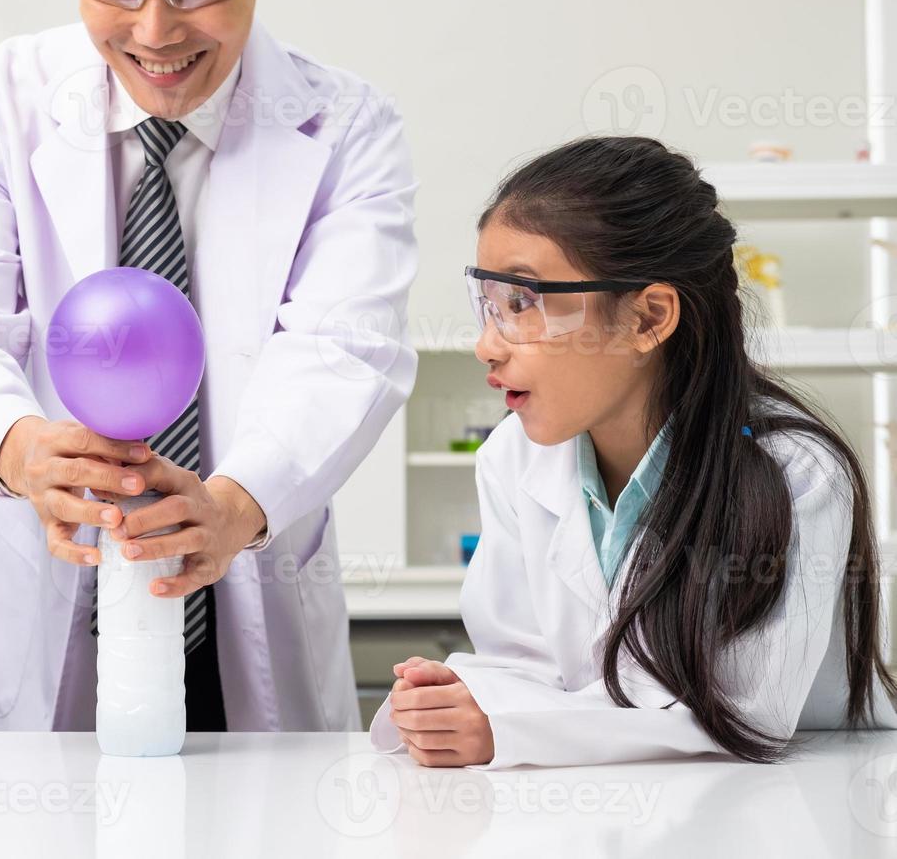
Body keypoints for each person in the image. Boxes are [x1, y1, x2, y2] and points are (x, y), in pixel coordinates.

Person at [0, 0, 418, 732]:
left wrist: (237, 506)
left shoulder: (347, 126)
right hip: (56, 604)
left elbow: (344, 350)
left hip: (250, 597)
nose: (155, 29)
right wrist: (22, 450)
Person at [372, 135, 897, 767]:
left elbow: (746, 715)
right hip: (609, 805)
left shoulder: (796, 472)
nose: (487, 345)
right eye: (489, 305)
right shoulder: (513, 458)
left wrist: (506, 729)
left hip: (796, 799)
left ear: (648, 318)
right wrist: (458, 698)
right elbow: (521, 664)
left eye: (524, 304)